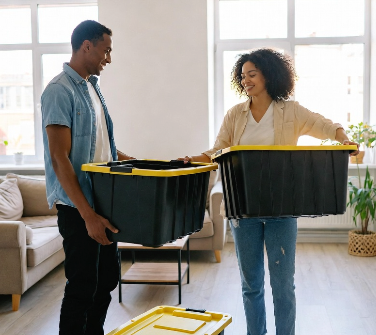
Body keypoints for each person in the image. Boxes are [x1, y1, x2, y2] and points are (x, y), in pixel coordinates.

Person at [179, 48, 359, 335]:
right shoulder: (235, 114)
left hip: (281, 207)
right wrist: (192, 159)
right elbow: (217, 151)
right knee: (251, 285)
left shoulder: (292, 111)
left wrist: (345, 139)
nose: (246, 80)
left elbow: (326, 126)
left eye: (252, 74)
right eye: (243, 76)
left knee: (283, 285)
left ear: (269, 75)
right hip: (243, 208)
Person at [41, 20, 134, 335]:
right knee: (82, 286)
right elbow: (59, 156)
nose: (108, 59)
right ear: (86, 46)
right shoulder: (58, 90)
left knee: (107, 280)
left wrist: (137, 162)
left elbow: (101, 146)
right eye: (106, 51)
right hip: (78, 208)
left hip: (103, 203)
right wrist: (88, 216)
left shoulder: (92, 87)